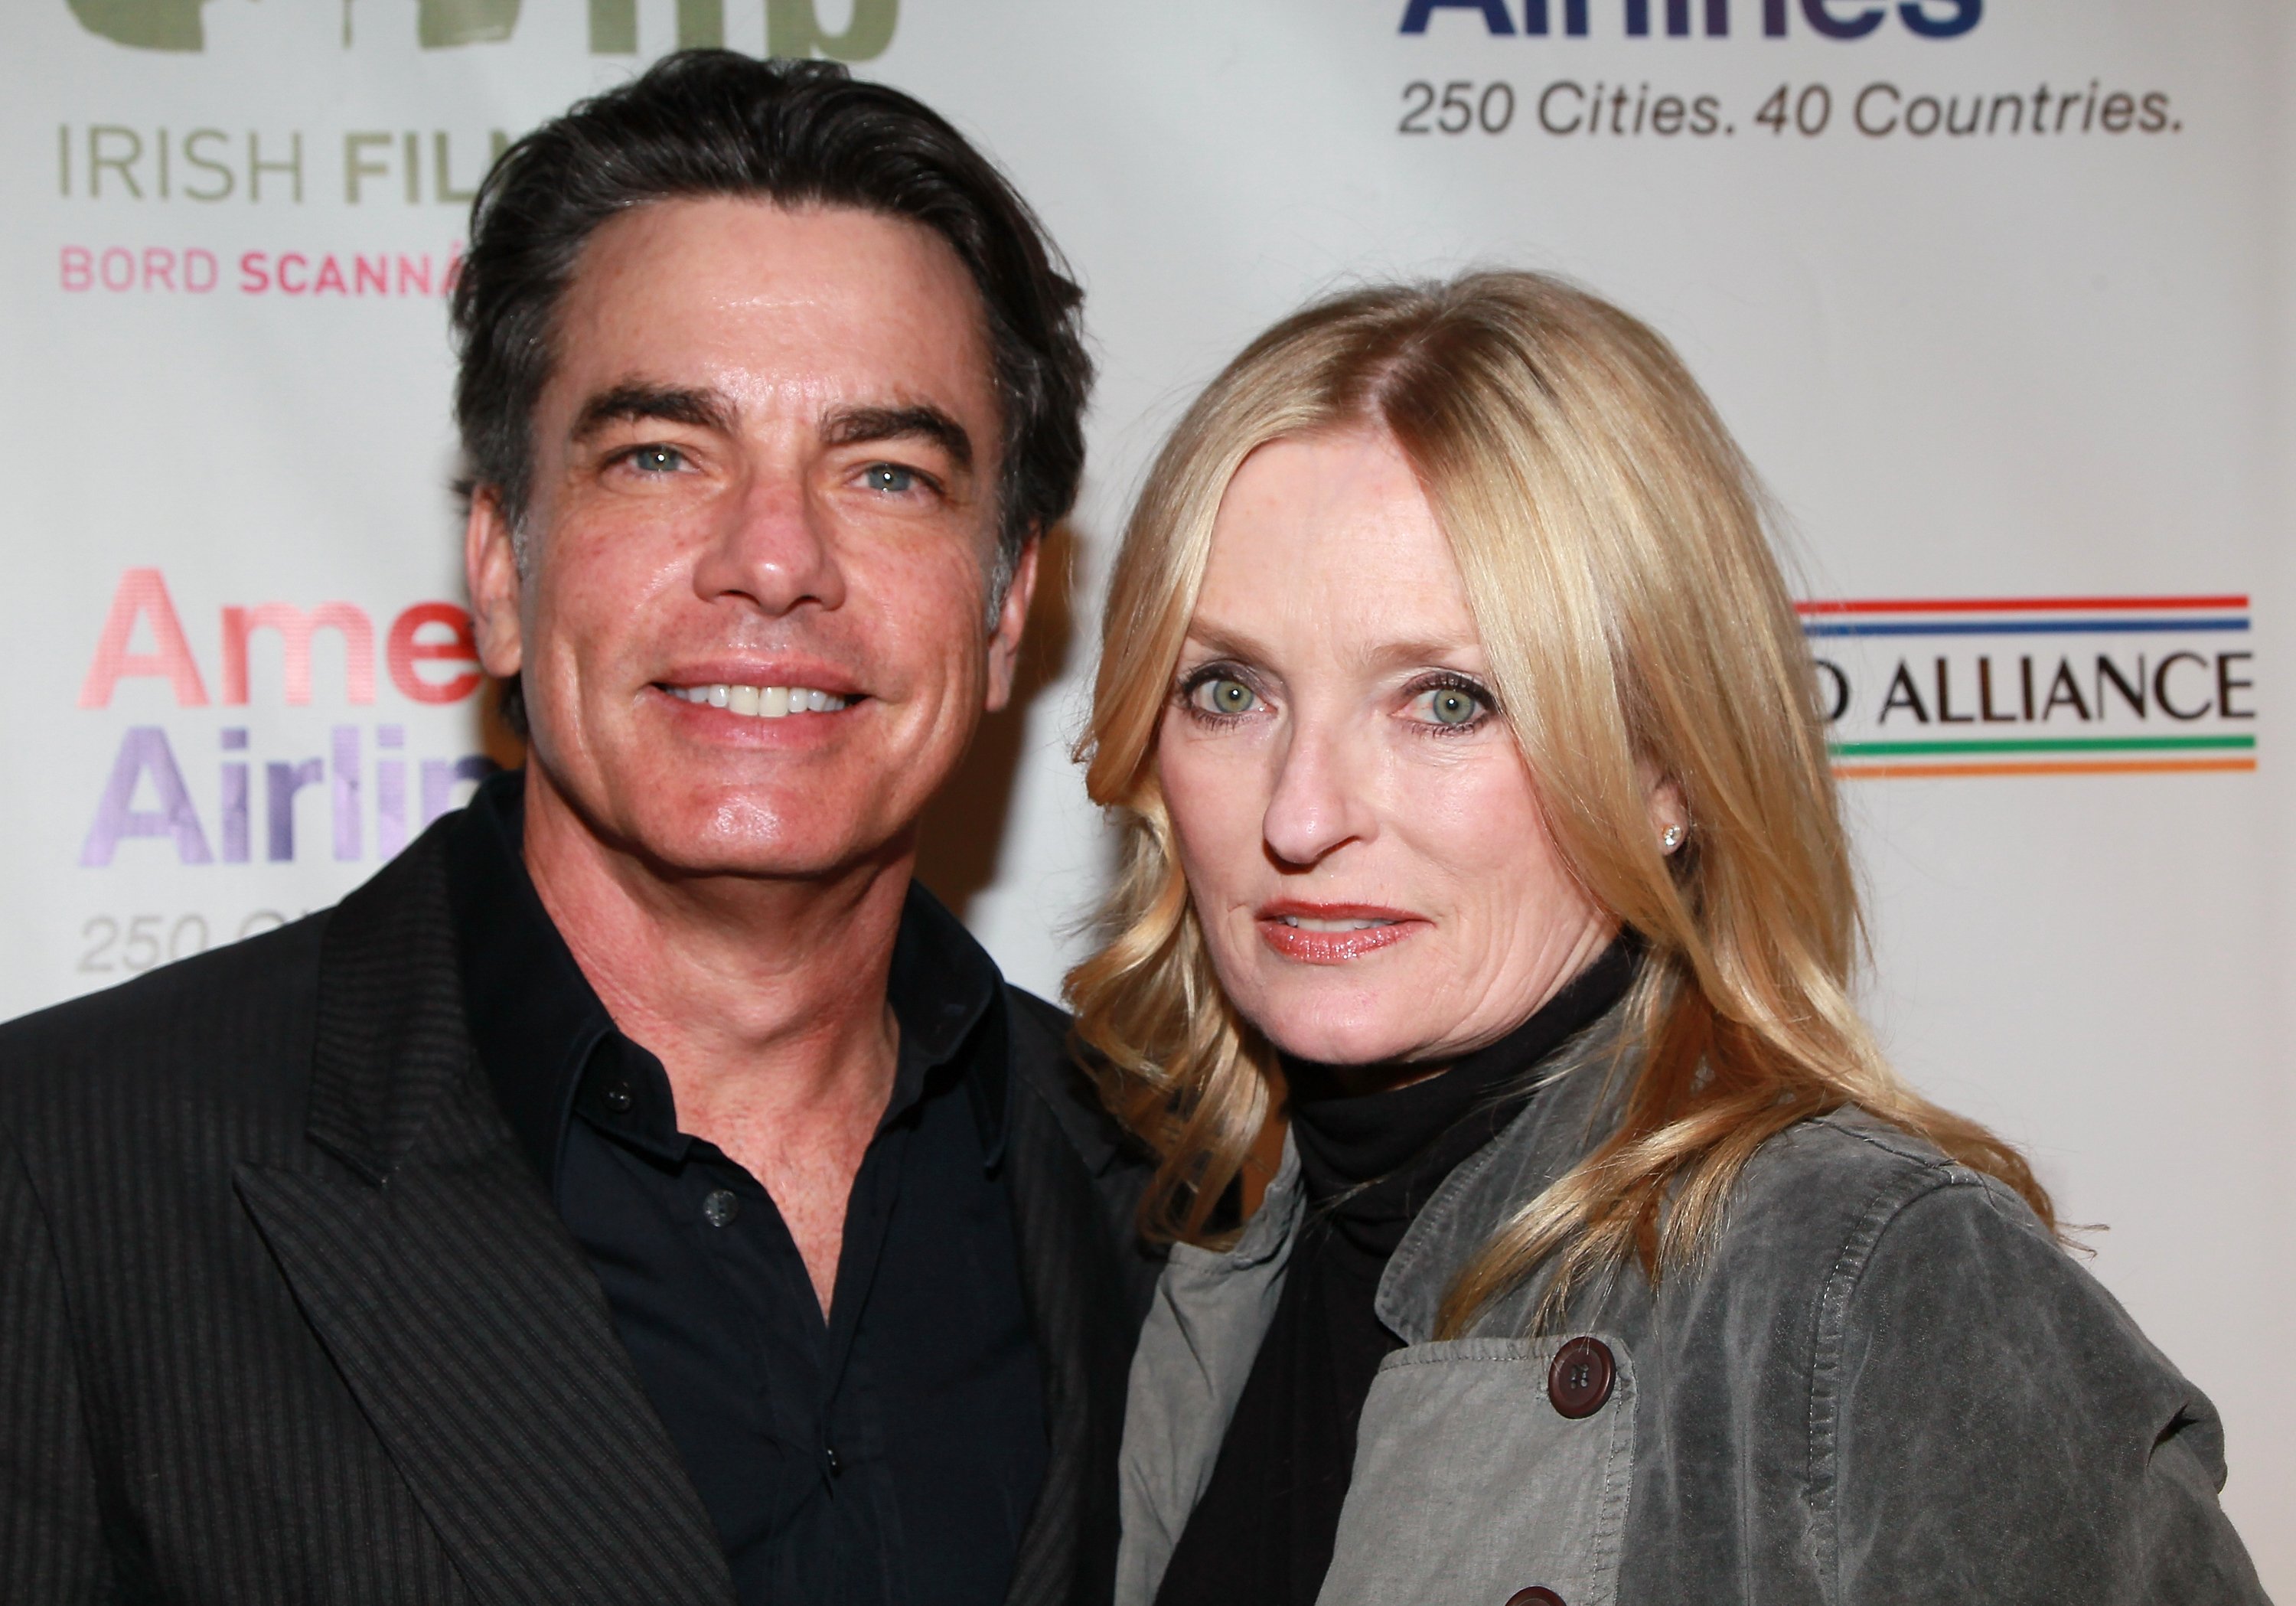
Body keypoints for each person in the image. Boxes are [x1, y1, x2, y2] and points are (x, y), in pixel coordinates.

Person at [0, 53, 1154, 1606]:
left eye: (887, 472)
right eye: (662, 454)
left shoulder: (1174, 1192)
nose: (774, 560)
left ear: (1008, 607)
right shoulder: (70, 1169)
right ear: (498, 565)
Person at [1068, 272, 2266, 1606]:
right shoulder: (1201, 1274)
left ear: (1669, 766)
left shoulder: (1869, 1288)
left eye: (1449, 701)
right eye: (1228, 689)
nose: (1301, 813)